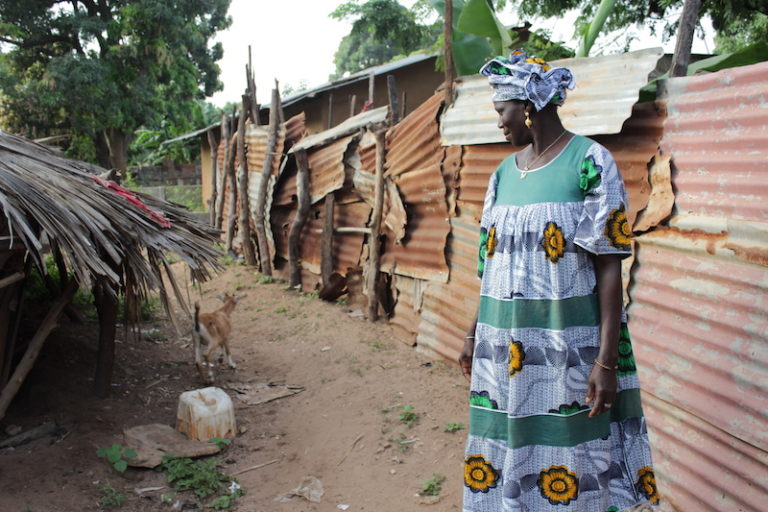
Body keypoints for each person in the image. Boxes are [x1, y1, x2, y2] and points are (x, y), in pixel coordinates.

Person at [459, 50, 658, 512]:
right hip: (501, 347)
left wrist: (605, 362)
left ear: (527, 106)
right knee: (507, 446)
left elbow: (610, 264)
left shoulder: (590, 162)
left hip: (565, 347)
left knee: (570, 457)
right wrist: (472, 331)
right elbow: (491, 266)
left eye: (500, 111)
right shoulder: (502, 175)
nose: (498, 123)